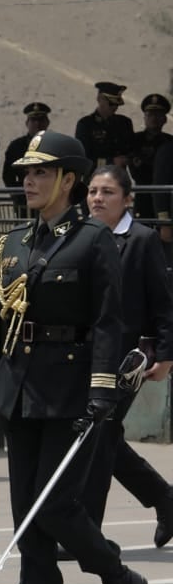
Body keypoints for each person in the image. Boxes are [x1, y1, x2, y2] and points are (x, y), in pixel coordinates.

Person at [0, 130, 147, 584]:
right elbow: (5, 319)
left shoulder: (94, 240)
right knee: (26, 506)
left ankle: (119, 577)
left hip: (71, 389)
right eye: (25, 172)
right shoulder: (17, 242)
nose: (28, 180)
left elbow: (108, 322)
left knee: (56, 506)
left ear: (69, 180)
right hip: (21, 385)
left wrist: (102, 392)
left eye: (41, 172)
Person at [82, 166, 173, 542]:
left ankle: (86, 534)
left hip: (125, 358)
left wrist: (166, 356)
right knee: (102, 437)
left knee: (98, 439)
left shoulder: (141, 239)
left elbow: (163, 302)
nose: (97, 198)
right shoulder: (80, 235)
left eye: (107, 192)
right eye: (92, 191)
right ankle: (164, 497)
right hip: (84, 353)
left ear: (128, 198)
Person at [3, 103, 52, 211]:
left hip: (48, 200)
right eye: (33, 120)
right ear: (27, 123)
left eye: (41, 120)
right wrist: (18, 195)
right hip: (24, 201)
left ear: (47, 122)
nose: (37, 124)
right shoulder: (16, 146)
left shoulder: (54, 145)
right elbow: (8, 175)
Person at [75, 82, 135, 168]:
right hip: (95, 176)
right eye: (111, 103)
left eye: (117, 104)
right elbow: (84, 159)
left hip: (119, 176)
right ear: (99, 99)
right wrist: (111, 162)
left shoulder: (124, 123)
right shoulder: (86, 124)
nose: (115, 107)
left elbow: (132, 149)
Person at [131, 94, 171, 223]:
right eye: (150, 114)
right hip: (142, 194)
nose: (154, 118)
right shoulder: (135, 140)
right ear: (144, 118)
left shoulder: (169, 142)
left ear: (165, 119)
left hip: (166, 196)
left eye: (158, 115)